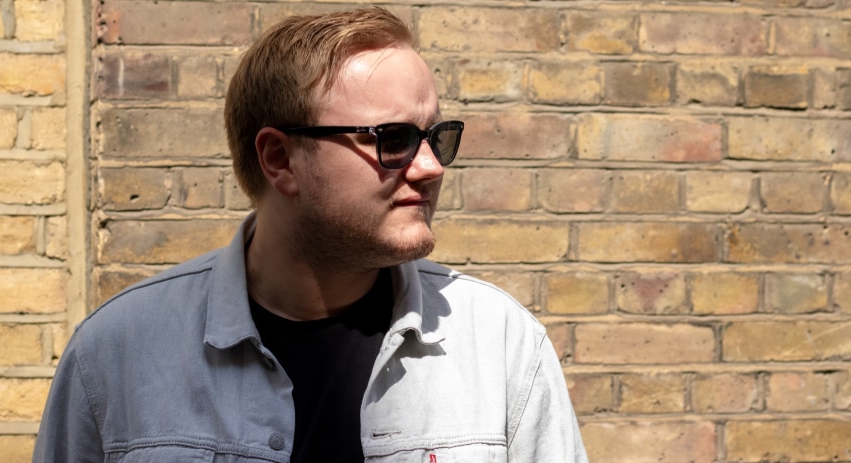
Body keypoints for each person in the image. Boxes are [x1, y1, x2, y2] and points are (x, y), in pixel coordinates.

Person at [33, 8, 587, 462]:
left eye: (436, 137)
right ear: (281, 159)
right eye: (392, 138)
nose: (430, 167)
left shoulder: (500, 345)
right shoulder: (119, 354)